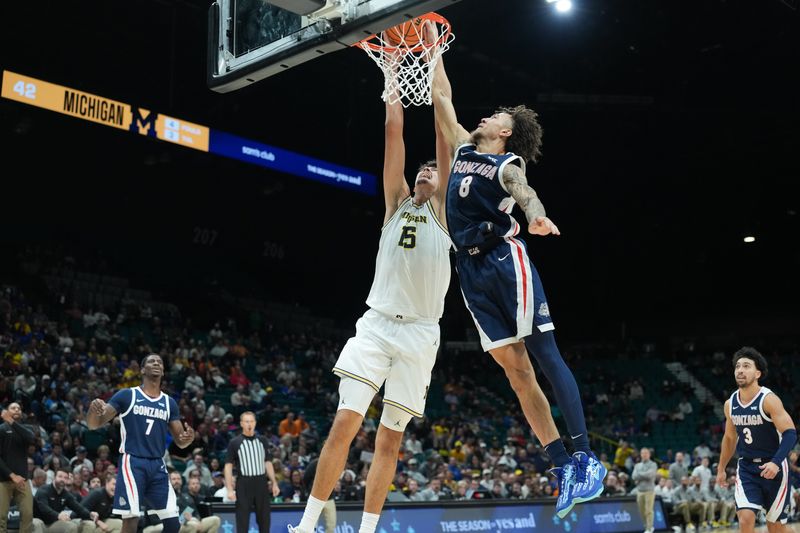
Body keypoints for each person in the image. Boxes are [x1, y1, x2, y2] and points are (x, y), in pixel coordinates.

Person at [430, 40, 605, 518]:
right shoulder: (465, 146)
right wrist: (432, 48)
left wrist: (538, 216)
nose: (484, 117)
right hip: (468, 270)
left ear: (505, 132)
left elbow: (525, 194)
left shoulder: (507, 163)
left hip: (505, 262)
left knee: (544, 354)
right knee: (515, 370)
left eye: (493, 116)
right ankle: (560, 465)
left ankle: (586, 456)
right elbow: (441, 96)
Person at [288, 67, 453, 533]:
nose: (426, 170)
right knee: (344, 423)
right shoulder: (395, 203)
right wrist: (394, 78)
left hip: (420, 333)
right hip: (377, 324)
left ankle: (366, 530)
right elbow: (393, 132)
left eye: (434, 170)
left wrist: (435, 66)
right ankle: (306, 524)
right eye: (422, 169)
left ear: (441, 185)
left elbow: (445, 136)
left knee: (389, 439)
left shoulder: (444, 214)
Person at [87, 354, 195, 533]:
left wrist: (188, 439)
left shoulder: (169, 403)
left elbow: (181, 442)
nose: (156, 363)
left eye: (160, 362)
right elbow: (94, 425)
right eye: (151, 361)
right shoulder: (127, 395)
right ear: (142, 370)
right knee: (131, 520)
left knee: (173, 523)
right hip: (133, 462)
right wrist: (92, 411)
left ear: (163, 371)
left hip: (158, 465)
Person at [716, 347, 797, 532]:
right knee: (745, 519)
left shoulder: (768, 400)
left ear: (757, 373)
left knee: (775, 528)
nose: (740, 370)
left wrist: (776, 462)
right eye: (737, 366)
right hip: (746, 468)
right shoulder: (730, 404)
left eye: (746, 366)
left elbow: (791, 433)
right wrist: (721, 468)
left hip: (774, 468)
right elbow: (729, 438)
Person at [224, 411, 279, 533]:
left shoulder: (263, 440)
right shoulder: (235, 442)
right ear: (242, 423)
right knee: (242, 519)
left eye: (252, 421)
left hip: (261, 482)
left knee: (265, 518)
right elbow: (228, 465)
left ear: (255, 423)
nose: (249, 424)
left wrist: (274, 482)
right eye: (247, 421)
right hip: (244, 483)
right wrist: (229, 488)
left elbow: (268, 462)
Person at [0, 402, 36, 533]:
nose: (16, 410)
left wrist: (11, 422)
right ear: (6, 411)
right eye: (13, 408)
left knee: (27, 515)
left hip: (23, 480)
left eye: (19, 408)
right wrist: (12, 475)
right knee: (1, 518)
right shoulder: (1, 429)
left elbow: (31, 438)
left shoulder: (25, 429)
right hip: (3, 479)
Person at [34, 468, 98, 533]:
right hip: (40, 521)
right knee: (36, 523)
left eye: (65, 478)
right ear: (54, 477)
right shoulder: (43, 490)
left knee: (87, 524)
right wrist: (58, 515)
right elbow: (44, 508)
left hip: (54, 523)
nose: (62, 479)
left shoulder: (65, 494)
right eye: (60, 476)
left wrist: (90, 514)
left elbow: (78, 508)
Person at [632, 447, 657, 533]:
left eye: (646, 453)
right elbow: (633, 476)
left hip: (649, 490)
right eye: (643, 453)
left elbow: (650, 475)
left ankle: (649, 528)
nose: (644, 455)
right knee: (641, 510)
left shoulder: (653, 464)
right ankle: (646, 526)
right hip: (640, 491)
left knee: (648, 510)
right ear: (641, 454)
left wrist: (639, 475)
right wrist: (643, 475)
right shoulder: (637, 465)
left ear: (649, 455)